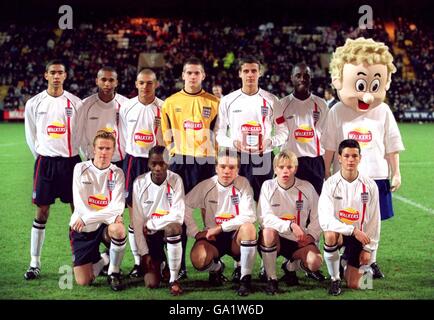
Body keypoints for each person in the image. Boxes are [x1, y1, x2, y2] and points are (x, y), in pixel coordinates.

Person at [322, 37, 405, 278]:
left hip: (377, 175)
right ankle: (343, 259)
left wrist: (396, 171)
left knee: (372, 223)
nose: (367, 96)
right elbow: (329, 145)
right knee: (344, 218)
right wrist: (326, 170)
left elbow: (391, 143)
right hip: (345, 179)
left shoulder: (383, 110)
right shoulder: (337, 110)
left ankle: (371, 260)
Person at [24, 60, 83, 280]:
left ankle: (81, 259)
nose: (56, 76)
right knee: (41, 213)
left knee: (78, 212)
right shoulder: (34, 103)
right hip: (45, 163)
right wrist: (41, 155)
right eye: (52, 73)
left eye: (60, 73)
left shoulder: (75, 103)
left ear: (65, 76)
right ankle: (34, 263)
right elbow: (31, 135)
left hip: (71, 163)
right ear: (45, 75)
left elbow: (81, 133)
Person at [161, 57, 220, 280]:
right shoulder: (170, 102)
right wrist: (174, 151)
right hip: (180, 163)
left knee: (210, 212)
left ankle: (214, 263)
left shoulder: (214, 102)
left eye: (197, 73)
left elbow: (218, 133)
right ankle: (179, 265)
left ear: (203, 76)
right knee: (178, 213)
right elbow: (165, 133)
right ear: (183, 75)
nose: (193, 76)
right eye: (189, 73)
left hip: (206, 162)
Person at [184, 149, 257, 296]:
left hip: (235, 237)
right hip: (213, 238)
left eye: (231, 167)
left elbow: (249, 215)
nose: (227, 171)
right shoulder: (206, 185)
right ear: (216, 168)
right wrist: (195, 232)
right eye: (223, 166)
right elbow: (184, 206)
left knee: (249, 228)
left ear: (237, 170)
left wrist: (220, 228)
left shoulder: (243, 184)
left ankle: (245, 279)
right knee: (198, 259)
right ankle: (216, 268)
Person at [215, 55, 288, 202]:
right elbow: (219, 133)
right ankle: (238, 226)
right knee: (238, 199)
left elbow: (283, 131)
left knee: (265, 200)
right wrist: (233, 143)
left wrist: (269, 142)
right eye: (246, 71)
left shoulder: (272, 100)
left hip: (264, 156)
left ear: (259, 73)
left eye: (253, 71)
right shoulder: (228, 101)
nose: (250, 75)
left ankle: (264, 226)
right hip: (238, 157)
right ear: (239, 73)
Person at [318, 139, 380, 296]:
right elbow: (325, 220)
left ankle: (345, 262)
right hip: (340, 234)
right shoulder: (330, 184)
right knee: (330, 234)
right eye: (346, 156)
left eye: (354, 156)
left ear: (360, 158)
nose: (350, 160)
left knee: (361, 284)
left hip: (359, 237)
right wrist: (351, 230)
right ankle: (335, 279)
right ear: (339, 158)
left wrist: (369, 249)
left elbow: (374, 221)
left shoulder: (370, 185)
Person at [257, 150, 323, 295]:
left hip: (298, 240)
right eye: (281, 167)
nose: (285, 171)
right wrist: (290, 225)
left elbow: (318, 215)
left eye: (289, 167)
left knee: (315, 262)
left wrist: (311, 236)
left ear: (296, 168)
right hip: (275, 238)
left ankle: (290, 266)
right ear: (275, 169)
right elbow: (264, 217)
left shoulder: (306, 187)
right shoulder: (268, 186)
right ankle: (271, 279)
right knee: (267, 231)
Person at [119, 68, 164, 278]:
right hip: (133, 162)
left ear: (156, 84)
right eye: (141, 83)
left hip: (156, 163)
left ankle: (159, 259)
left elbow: (167, 140)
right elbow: (123, 136)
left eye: (149, 83)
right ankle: (138, 262)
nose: (145, 86)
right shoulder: (126, 107)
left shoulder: (163, 108)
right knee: (133, 214)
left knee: (158, 211)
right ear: (136, 84)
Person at [69, 131, 126, 291]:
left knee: (119, 229)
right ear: (94, 149)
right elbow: (79, 204)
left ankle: (113, 273)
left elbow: (117, 208)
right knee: (84, 281)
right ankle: (104, 259)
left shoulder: (117, 173)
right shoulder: (80, 168)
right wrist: (107, 215)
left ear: (113, 151)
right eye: (100, 148)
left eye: (108, 149)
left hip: (102, 226)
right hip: (83, 228)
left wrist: (88, 218)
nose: (104, 152)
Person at [131, 145, 185, 295]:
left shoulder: (176, 180)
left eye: (162, 163)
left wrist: (153, 224)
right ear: (148, 163)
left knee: (173, 228)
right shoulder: (139, 183)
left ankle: (174, 279)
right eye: (153, 164)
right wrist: (144, 253)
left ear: (168, 163)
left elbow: (178, 215)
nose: (158, 168)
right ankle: (162, 263)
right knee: (151, 283)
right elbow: (137, 221)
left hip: (169, 231)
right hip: (150, 235)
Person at [280, 63, 329, 196]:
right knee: (291, 206)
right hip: (291, 161)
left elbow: (326, 137)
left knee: (315, 207)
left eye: (306, 76)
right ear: (292, 78)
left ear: (310, 78)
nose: (302, 79)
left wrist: (327, 166)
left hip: (315, 161)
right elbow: (278, 135)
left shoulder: (321, 104)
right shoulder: (282, 105)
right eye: (298, 75)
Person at [81, 67, 129, 169]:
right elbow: (79, 133)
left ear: (116, 82)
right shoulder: (85, 105)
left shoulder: (127, 105)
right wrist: (89, 153)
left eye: (111, 80)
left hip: (119, 160)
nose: (107, 84)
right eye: (103, 80)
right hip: (93, 159)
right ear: (97, 81)